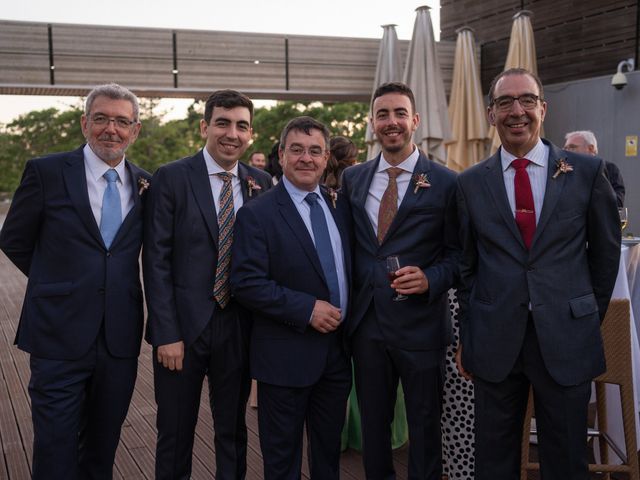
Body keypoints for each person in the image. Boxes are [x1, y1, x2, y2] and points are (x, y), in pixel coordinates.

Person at [456, 68, 621, 480]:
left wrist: (582, 316)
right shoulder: (471, 184)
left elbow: (605, 256)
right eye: (505, 103)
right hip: (496, 343)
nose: (517, 111)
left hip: (567, 338)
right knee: (493, 461)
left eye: (527, 100)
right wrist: (475, 330)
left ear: (543, 108)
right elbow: (465, 265)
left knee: (566, 460)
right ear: (491, 114)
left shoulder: (586, 172)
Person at [0, 83, 149, 479]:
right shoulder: (46, 171)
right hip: (57, 333)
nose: (110, 129)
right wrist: (60, 281)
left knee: (102, 446)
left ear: (135, 130)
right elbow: (13, 239)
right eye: (101, 118)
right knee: (54, 448)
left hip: (119, 337)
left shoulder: (147, 184)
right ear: (85, 123)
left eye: (121, 121)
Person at [143, 89, 272, 479]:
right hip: (182, 331)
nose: (232, 133)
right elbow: (156, 260)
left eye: (241, 125)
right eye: (223, 123)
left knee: (232, 432)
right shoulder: (172, 177)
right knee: (175, 434)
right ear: (205, 126)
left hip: (238, 327)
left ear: (250, 133)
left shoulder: (261, 182)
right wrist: (166, 333)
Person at [341, 82, 460, 480]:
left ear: (415, 121)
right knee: (374, 425)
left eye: (399, 114)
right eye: (382, 114)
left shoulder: (446, 182)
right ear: (372, 122)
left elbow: (462, 256)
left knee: (426, 426)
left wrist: (431, 278)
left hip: (422, 325)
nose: (391, 122)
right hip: (367, 324)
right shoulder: (353, 179)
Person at [231, 116, 352, 480]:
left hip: (336, 357)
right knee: (282, 462)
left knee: (328, 457)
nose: (306, 159)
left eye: (315, 151)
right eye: (297, 150)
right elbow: (245, 282)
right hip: (284, 359)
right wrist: (306, 309)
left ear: (326, 157)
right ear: (281, 155)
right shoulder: (257, 213)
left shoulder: (339, 207)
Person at [564, 130, 625, 207]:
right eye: (565, 149)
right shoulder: (564, 171)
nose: (566, 152)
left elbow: (617, 203)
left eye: (572, 148)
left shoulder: (609, 169)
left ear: (591, 148)